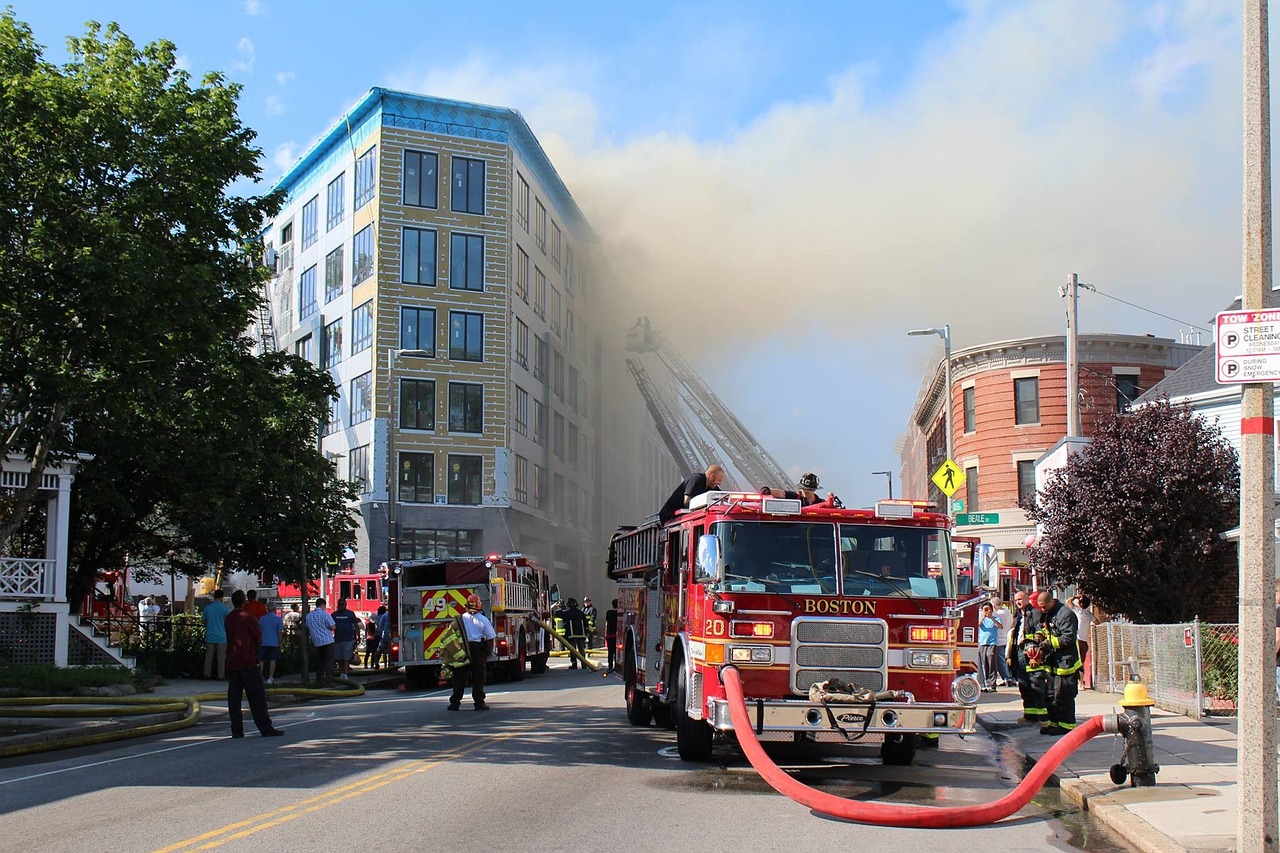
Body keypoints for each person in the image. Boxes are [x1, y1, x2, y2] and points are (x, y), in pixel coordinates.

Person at [224, 589, 285, 738]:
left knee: (234, 698)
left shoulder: (229, 618)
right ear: (244, 601)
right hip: (248, 661)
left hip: (232, 661)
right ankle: (265, 728)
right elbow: (259, 638)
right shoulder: (248, 617)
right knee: (257, 696)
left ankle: (236, 730)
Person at [1027, 590, 1081, 736]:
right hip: (1053, 663)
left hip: (1066, 664)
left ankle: (1067, 726)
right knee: (1051, 695)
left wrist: (1047, 644)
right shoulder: (1049, 613)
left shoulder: (1066, 614)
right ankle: (1054, 723)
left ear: (1051, 602)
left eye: (1044, 606)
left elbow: (1068, 638)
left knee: (1063, 695)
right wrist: (1039, 637)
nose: (1042, 610)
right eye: (1040, 607)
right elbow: (1044, 629)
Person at [448, 593, 496, 711]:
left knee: (459, 676)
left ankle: (455, 703)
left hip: (461, 648)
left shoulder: (459, 619)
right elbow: (490, 638)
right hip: (477, 649)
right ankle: (479, 703)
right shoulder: (484, 620)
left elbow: (451, 635)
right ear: (480, 605)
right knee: (478, 676)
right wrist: (486, 652)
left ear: (467, 606)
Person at [1006, 590, 1045, 724]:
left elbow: (1039, 633)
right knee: (1024, 685)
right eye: (1016, 600)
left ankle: (1042, 717)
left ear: (1027, 599)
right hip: (1018, 654)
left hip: (1031, 653)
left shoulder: (1035, 614)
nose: (1018, 602)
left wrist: (1033, 645)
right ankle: (1029, 715)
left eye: (1020, 599)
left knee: (1035, 685)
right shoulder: (1017, 616)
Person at [658, 464, 725, 524]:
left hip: (680, 519)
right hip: (669, 518)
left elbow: (723, 496)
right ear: (712, 477)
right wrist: (700, 511)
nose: (719, 484)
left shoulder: (711, 487)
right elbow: (687, 501)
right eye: (719, 480)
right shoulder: (696, 479)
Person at [304, 597, 336, 684]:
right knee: (329, 662)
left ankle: (319, 680)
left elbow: (307, 627)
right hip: (328, 641)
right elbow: (333, 627)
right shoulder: (325, 614)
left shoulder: (309, 616)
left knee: (320, 662)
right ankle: (329, 681)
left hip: (317, 642)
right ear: (322, 605)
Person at [202, 589, 231, 680]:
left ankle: (207, 674)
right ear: (222, 597)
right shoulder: (226, 609)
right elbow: (229, 622)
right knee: (221, 657)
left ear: (214, 597)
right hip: (222, 636)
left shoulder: (208, 608)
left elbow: (203, 620)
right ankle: (221, 675)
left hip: (210, 635)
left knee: (209, 656)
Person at [1069, 594, 1095, 689]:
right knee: (1082, 662)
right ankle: (1081, 683)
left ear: (1080, 603)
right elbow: (1096, 621)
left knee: (1075, 662)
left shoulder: (1078, 610)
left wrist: (1075, 596)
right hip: (1084, 641)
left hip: (1076, 639)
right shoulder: (1089, 615)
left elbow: (1068, 601)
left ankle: (1077, 683)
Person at [331, 598, 360, 679]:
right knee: (339, 657)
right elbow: (330, 626)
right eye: (340, 604)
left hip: (348, 639)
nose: (341, 606)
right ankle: (341, 672)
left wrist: (358, 636)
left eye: (343, 604)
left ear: (346, 605)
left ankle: (345, 673)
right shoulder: (334, 615)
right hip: (337, 639)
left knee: (346, 657)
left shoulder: (350, 614)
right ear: (338, 605)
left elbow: (356, 625)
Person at [556, 598, 589, 669]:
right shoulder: (581, 613)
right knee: (581, 650)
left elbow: (558, 614)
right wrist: (586, 633)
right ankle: (584, 664)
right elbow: (586, 624)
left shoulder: (568, 613)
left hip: (572, 635)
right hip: (581, 635)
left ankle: (574, 664)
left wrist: (561, 607)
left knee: (573, 650)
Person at [760, 472, 825, 507]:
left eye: (807, 491)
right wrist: (768, 490)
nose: (804, 492)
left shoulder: (821, 503)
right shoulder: (795, 497)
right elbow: (781, 493)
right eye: (803, 489)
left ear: (813, 490)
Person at [258, 601, 284, 684]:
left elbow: (259, 631)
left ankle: (260, 676)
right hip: (274, 642)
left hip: (263, 642)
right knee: (273, 660)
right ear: (275, 609)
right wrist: (280, 642)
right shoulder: (278, 619)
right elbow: (279, 632)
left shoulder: (261, 619)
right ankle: (270, 677)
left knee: (261, 660)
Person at [978, 602, 999, 692]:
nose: (987, 611)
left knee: (991, 663)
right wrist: (983, 617)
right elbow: (978, 625)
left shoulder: (996, 618)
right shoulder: (981, 619)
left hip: (992, 644)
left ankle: (992, 684)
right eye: (985, 609)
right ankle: (986, 683)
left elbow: (1000, 626)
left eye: (988, 609)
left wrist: (991, 618)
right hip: (982, 644)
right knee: (984, 664)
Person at [993, 599, 1016, 686]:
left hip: (998, 639)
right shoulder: (1007, 612)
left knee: (1000, 661)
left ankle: (1007, 677)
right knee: (1005, 659)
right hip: (1006, 638)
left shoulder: (996, 614)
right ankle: (1008, 677)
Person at [604, 599, 620, 671]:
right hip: (617, 635)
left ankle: (610, 666)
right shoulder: (620, 613)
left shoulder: (609, 613)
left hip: (610, 635)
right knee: (617, 651)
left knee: (610, 651)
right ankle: (616, 665)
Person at [375, 604, 391, 669]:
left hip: (384, 635)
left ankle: (376, 663)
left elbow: (380, 626)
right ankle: (388, 665)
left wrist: (380, 633)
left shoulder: (384, 616)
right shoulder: (392, 615)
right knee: (389, 651)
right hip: (391, 635)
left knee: (379, 650)